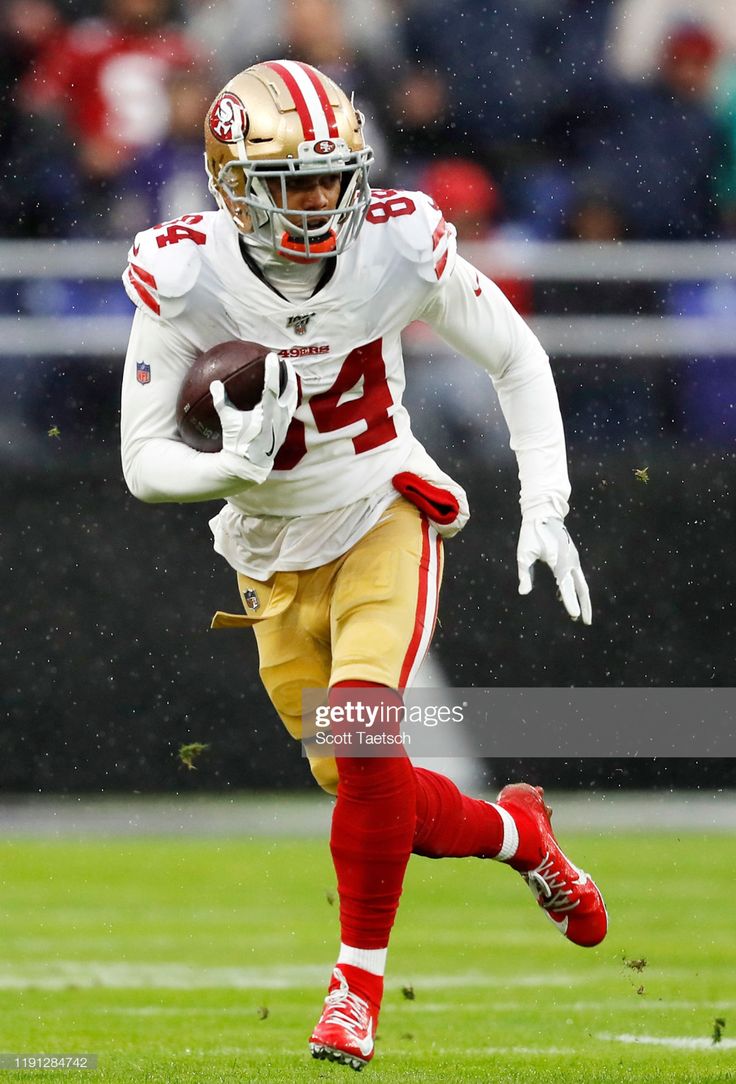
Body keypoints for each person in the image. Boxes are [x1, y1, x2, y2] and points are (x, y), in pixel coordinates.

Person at [120, 59, 606, 1070]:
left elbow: (516, 354)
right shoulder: (184, 270)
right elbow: (140, 459)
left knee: (363, 715)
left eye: (329, 176)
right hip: (266, 556)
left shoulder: (395, 243)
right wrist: (225, 464)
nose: (316, 201)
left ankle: (355, 987)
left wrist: (545, 501)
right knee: (376, 795)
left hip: (381, 507)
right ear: (228, 180)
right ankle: (522, 835)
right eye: (289, 181)